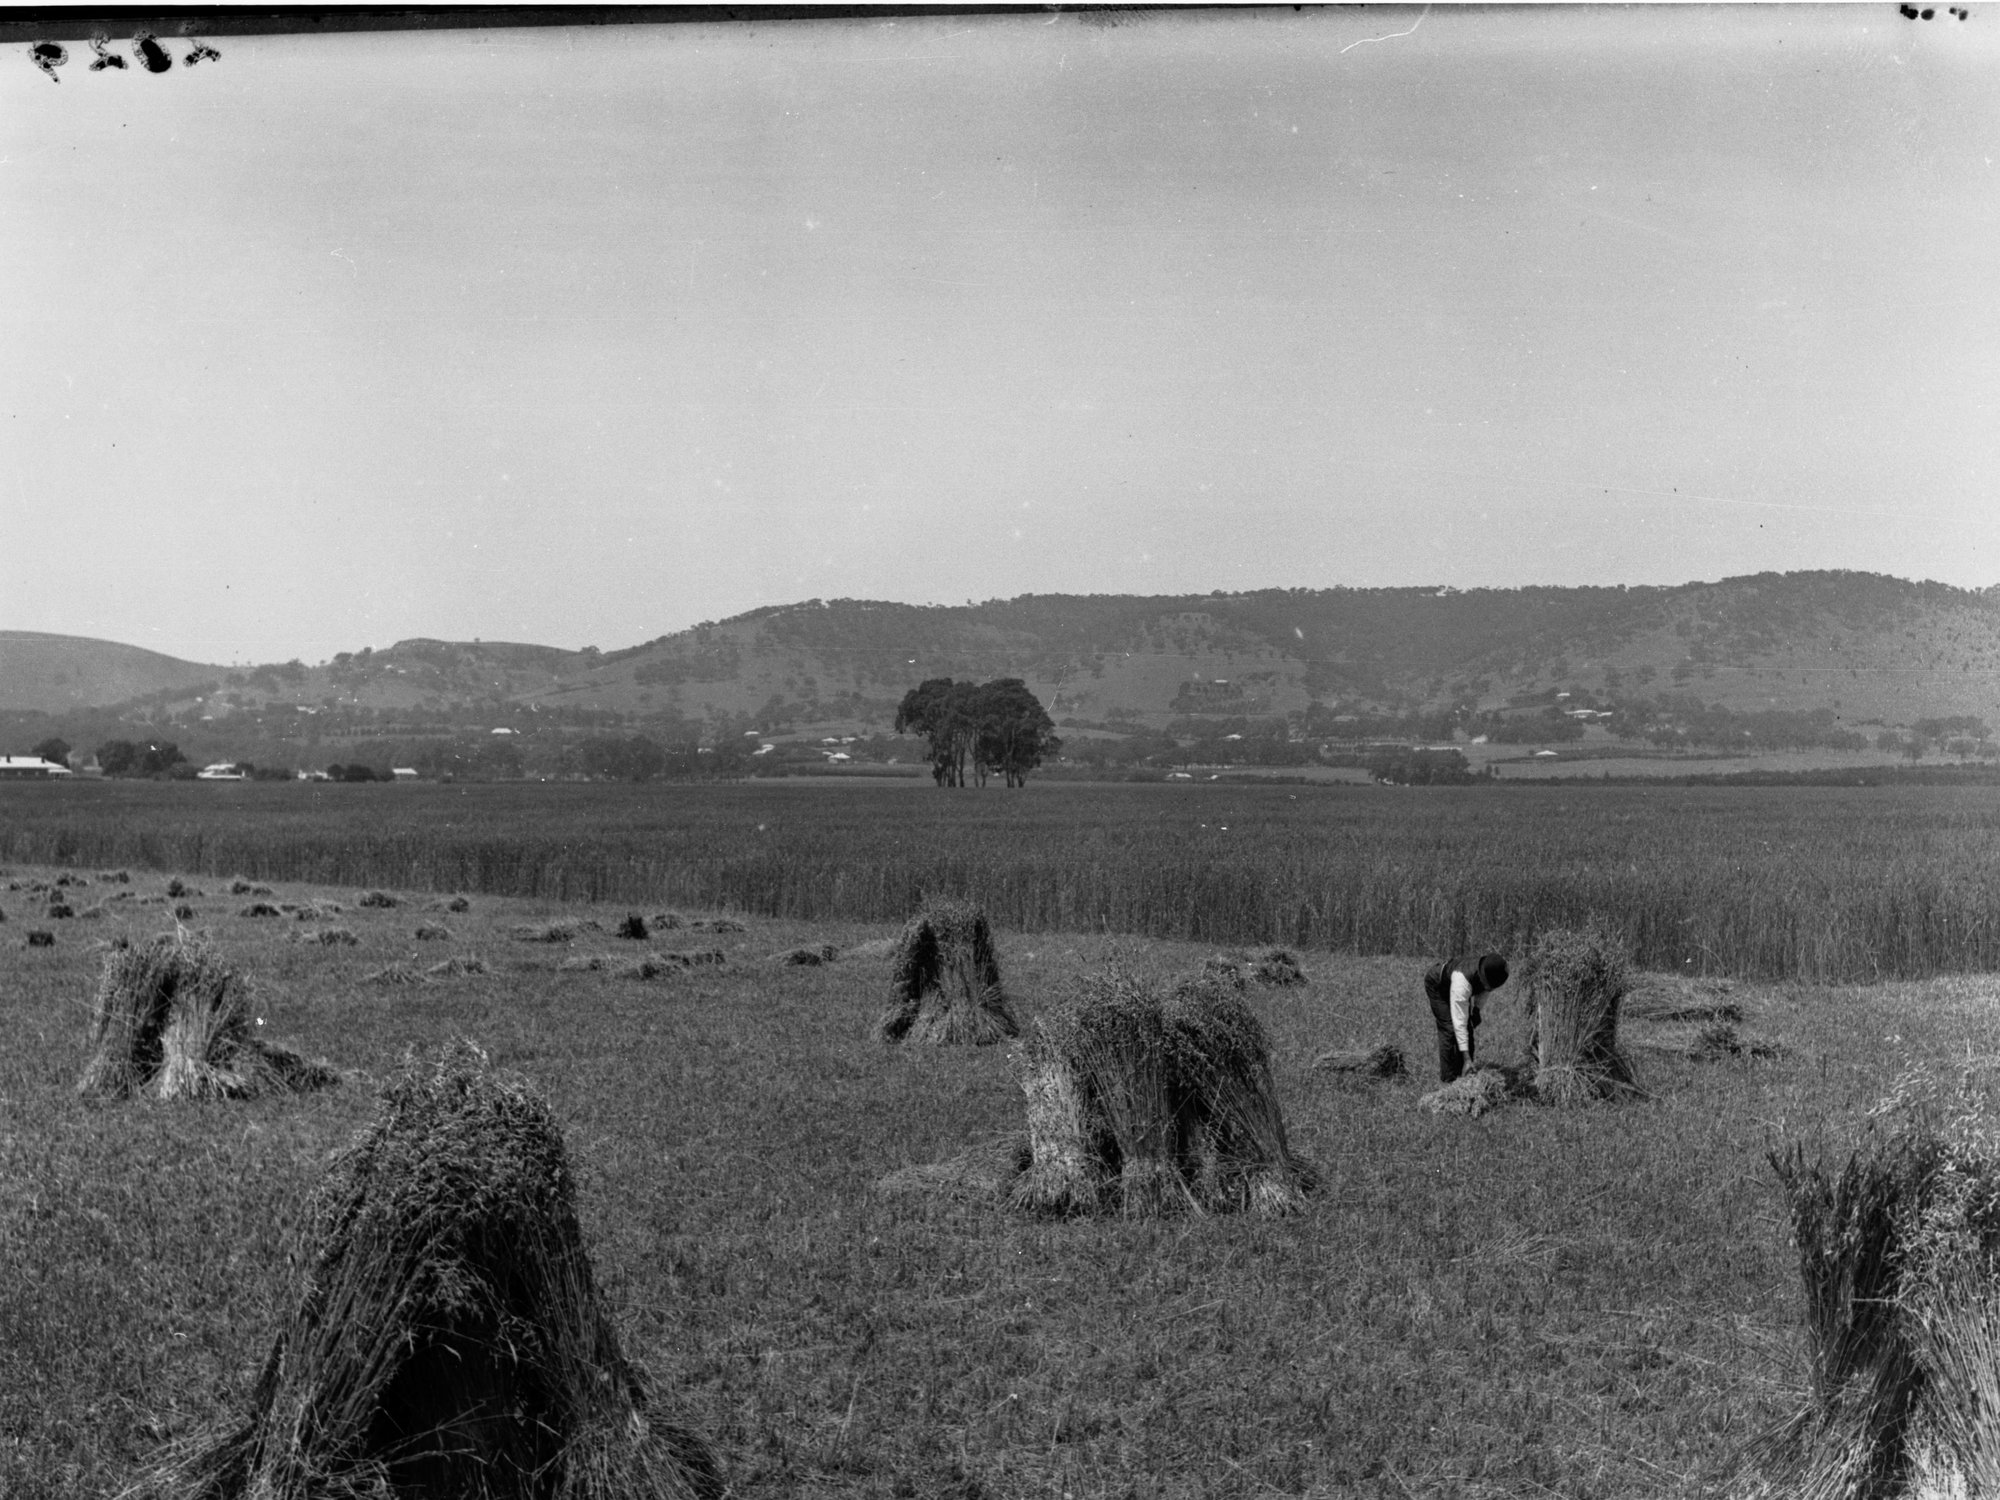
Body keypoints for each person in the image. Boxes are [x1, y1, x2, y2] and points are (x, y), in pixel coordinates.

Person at [1423, 953, 1509, 1084]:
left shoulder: (1489, 969)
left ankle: (1466, 1073)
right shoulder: (1462, 981)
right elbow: (1459, 1023)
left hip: (1457, 985)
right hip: (1438, 986)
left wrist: (1477, 1010)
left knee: (1469, 1027)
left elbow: (1485, 990)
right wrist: (1466, 1058)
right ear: (1483, 977)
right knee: (1449, 1029)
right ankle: (1448, 1080)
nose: (1490, 989)